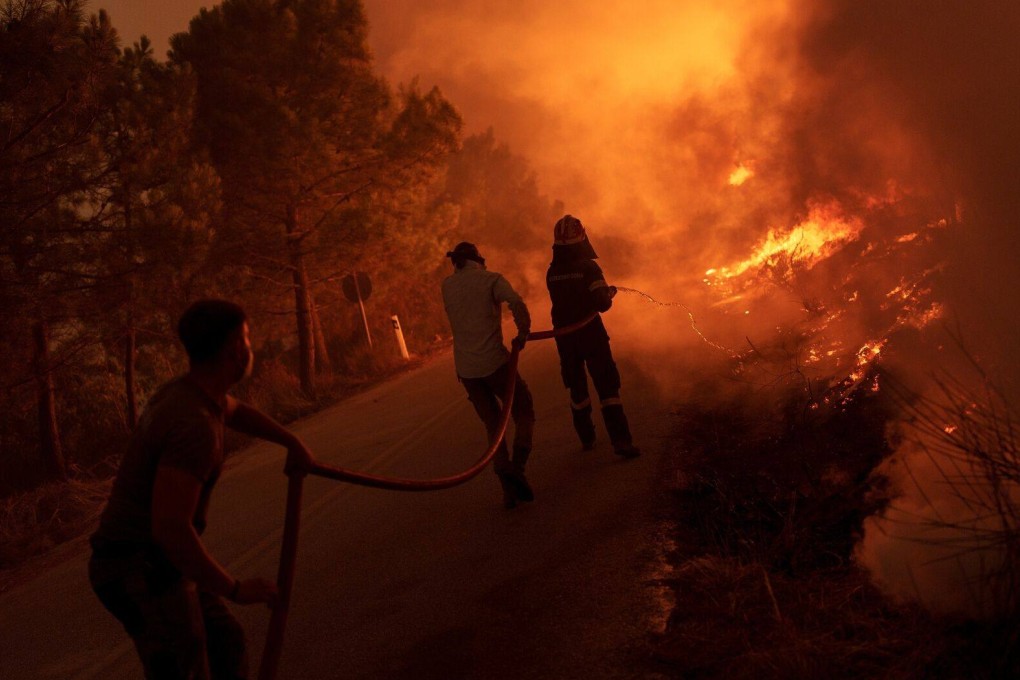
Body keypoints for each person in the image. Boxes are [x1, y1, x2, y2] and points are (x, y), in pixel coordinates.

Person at [88, 299, 316, 680]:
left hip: (158, 560)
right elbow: (171, 529)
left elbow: (234, 411)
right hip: (136, 567)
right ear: (234, 350)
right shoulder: (194, 426)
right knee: (185, 664)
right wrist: (237, 589)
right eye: (247, 336)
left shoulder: (188, 393)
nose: (250, 345)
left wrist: (290, 442)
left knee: (224, 641)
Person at [441, 241, 536, 509]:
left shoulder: (446, 286)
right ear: (478, 260)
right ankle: (517, 469)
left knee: (493, 427)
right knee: (523, 408)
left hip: (467, 371)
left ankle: (507, 491)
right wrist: (523, 331)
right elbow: (515, 302)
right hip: (494, 363)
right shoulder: (490, 279)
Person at [546, 215, 640, 458]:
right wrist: (608, 294)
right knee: (607, 386)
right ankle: (621, 442)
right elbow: (602, 304)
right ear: (581, 236)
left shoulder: (552, 270)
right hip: (590, 334)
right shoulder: (588, 266)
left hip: (565, 338)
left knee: (577, 387)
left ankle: (586, 437)